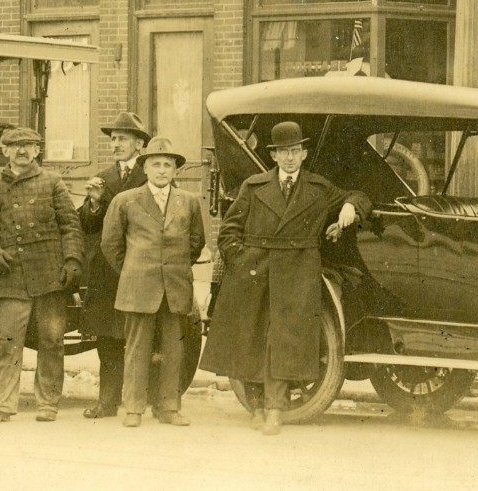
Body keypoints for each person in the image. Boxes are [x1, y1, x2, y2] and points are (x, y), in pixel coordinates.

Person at [201, 121, 371, 434]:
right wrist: (242, 262)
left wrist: (350, 207)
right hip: (255, 271)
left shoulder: (318, 188)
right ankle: (256, 406)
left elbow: (359, 195)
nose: (290, 157)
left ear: (304, 154)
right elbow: (228, 231)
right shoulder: (254, 186)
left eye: (295, 151)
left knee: (284, 342)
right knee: (253, 338)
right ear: (274, 156)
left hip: (297, 273)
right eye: (283, 152)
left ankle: (275, 409)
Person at [0, 126, 85, 424]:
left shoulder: (52, 181)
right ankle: (1, 403)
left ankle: (48, 403)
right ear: (5, 151)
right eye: (16, 146)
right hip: (11, 275)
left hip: (50, 274)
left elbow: (70, 226)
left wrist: (72, 260)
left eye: (29, 146)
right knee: (6, 340)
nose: (22, 151)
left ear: (37, 151)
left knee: (52, 340)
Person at [100, 136, 207, 427]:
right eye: (156, 164)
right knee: (137, 348)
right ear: (145, 168)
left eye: (167, 165)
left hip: (175, 287)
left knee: (174, 348)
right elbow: (110, 244)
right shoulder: (126, 200)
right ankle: (134, 408)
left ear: (175, 170)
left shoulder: (189, 202)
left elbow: (196, 242)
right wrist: (132, 270)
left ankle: (169, 407)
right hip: (138, 287)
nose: (161, 170)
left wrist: (175, 268)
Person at [75, 111, 153, 420]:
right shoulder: (103, 178)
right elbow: (87, 226)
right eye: (113, 139)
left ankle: (141, 401)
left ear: (139, 144)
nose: (116, 144)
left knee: (141, 335)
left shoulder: (151, 175)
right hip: (107, 271)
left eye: (122, 139)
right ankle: (107, 402)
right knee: (107, 338)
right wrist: (94, 203)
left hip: (141, 267)